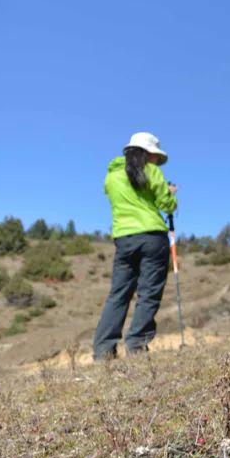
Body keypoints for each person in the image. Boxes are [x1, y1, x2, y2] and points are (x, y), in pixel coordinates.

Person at [92, 132, 178, 360]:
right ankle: (137, 345)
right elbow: (166, 205)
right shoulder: (152, 172)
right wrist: (171, 195)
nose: (156, 162)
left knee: (118, 294)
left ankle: (103, 351)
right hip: (152, 236)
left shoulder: (111, 178)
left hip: (124, 238)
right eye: (155, 157)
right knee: (148, 293)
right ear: (147, 153)